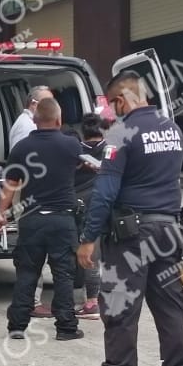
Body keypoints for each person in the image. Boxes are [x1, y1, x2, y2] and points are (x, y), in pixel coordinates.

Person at [76, 70, 183, 366]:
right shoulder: (172, 129)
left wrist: (88, 238)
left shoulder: (122, 132)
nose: (112, 114)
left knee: (120, 311)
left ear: (121, 100)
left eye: (112, 106)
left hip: (132, 236)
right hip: (170, 231)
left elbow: (105, 191)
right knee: (170, 309)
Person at [0, 97, 84, 342]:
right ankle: (66, 328)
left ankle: (17, 327)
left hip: (31, 220)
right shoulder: (72, 146)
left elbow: (10, 186)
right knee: (63, 275)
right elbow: (94, 166)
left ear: (34, 120)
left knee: (27, 273)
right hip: (62, 221)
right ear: (59, 119)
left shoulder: (21, 148)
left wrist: (1, 214)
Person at [7, 85, 57, 319]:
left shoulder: (27, 125)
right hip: (29, 196)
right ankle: (32, 302)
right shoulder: (26, 127)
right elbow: (21, 167)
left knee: (37, 252)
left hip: (34, 196)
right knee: (33, 253)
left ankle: (31, 300)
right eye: (48, 102)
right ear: (34, 105)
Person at [73, 113, 109, 319]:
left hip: (82, 207)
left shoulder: (76, 152)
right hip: (109, 206)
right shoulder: (113, 150)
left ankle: (91, 302)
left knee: (88, 255)